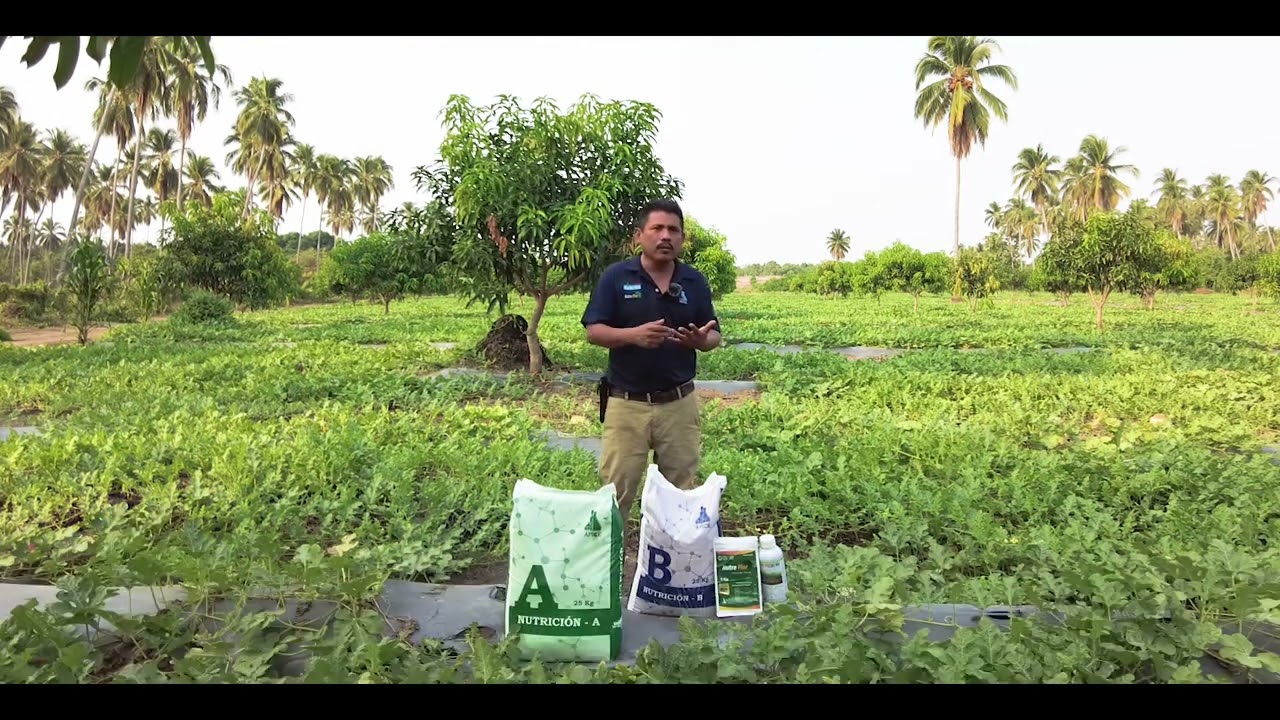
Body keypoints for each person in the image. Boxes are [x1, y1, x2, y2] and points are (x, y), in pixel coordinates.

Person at [580, 199, 721, 520]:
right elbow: (594, 331)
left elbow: (714, 334)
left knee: (680, 493)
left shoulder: (694, 281)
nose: (665, 236)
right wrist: (634, 336)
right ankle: (613, 551)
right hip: (627, 405)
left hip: (679, 404)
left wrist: (702, 341)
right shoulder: (616, 277)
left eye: (673, 230)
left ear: (682, 238)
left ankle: (669, 551)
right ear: (639, 236)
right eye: (657, 228)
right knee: (616, 492)